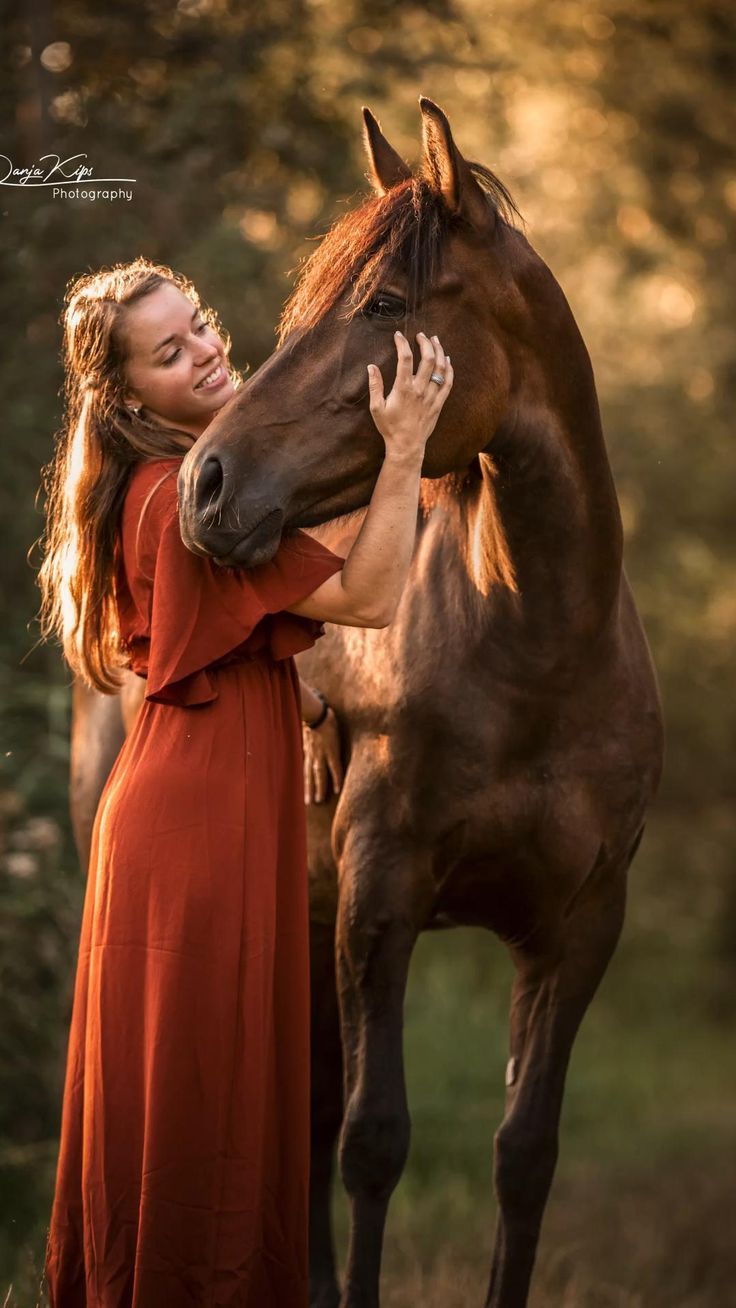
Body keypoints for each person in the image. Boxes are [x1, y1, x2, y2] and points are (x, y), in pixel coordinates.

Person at [35, 255, 453, 1307]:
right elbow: (371, 593)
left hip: (191, 794)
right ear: (128, 394)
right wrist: (404, 446)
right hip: (203, 820)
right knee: (204, 1093)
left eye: (202, 325)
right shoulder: (183, 499)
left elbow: (213, 645)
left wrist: (305, 705)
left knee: (193, 1084)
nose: (207, 351)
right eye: (170, 354)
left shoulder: (161, 479)